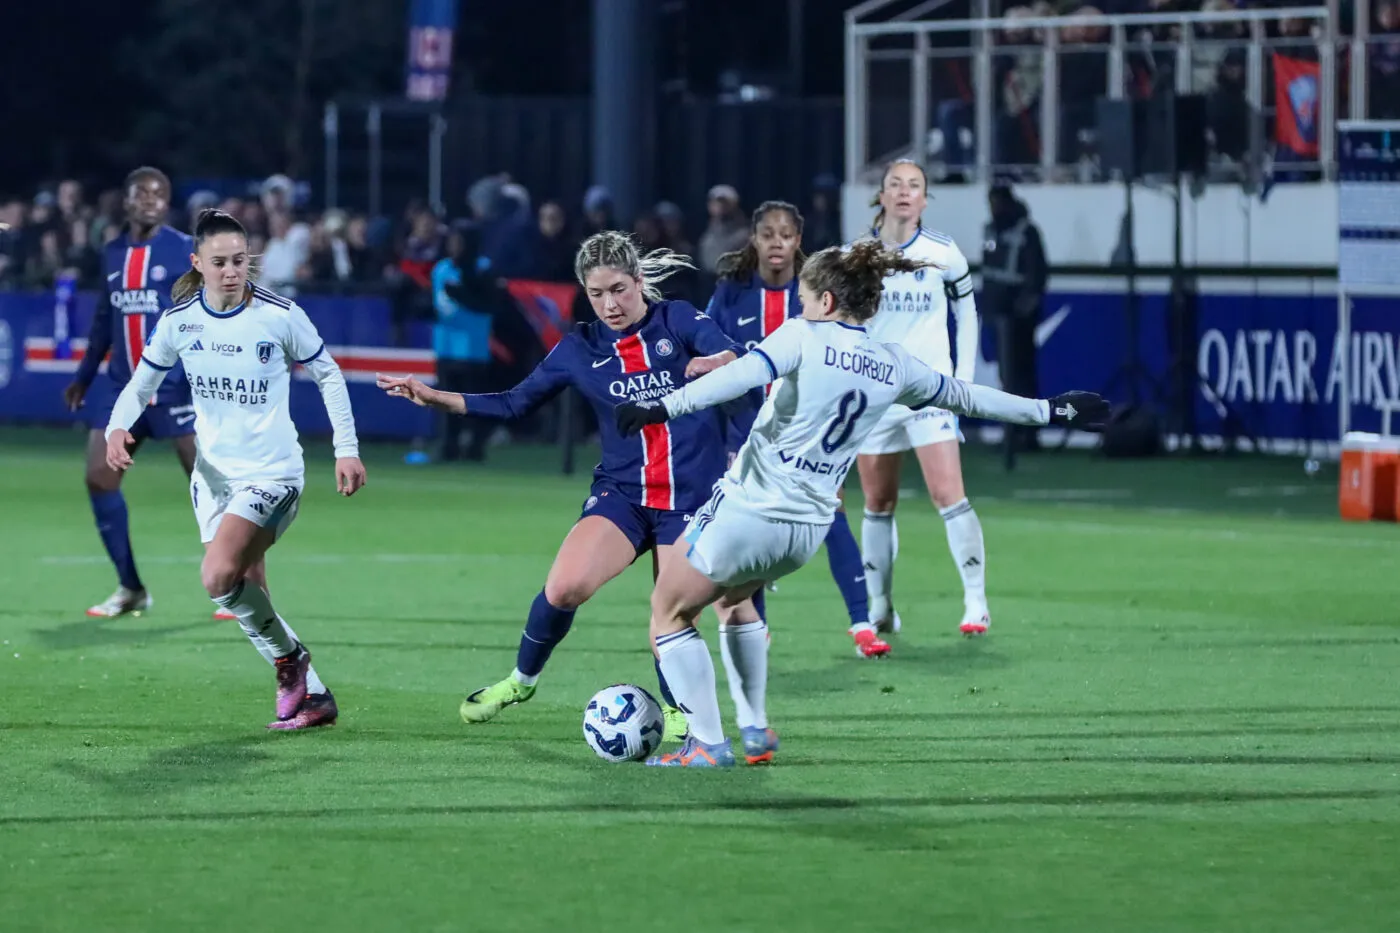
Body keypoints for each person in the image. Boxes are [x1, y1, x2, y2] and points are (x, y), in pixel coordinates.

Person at [615, 240, 1109, 766]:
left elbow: (738, 378)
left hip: (751, 510)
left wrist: (660, 407)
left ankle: (707, 745)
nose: (800, 307)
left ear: (826, 302)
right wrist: (1049, 411)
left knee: (667, 613)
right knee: (733, 601)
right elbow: (967, 396)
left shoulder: (804, 336)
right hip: (806, 531)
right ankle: (754, 726)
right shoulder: (893, 363)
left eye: (804, 298)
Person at [377, 231, 746, 739]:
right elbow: (513, 403)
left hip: (691, 498)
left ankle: (679, 710)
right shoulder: (579, 348)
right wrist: (435, 397)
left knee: (673, 613)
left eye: (618, 289)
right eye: (597, 294)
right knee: (565, 586)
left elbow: (731, 356)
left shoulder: (676, 320)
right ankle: (521, 681)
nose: (609, 304)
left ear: (639, 282)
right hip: (624, 495)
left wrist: (715, 364)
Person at [103, 210, 366, 730]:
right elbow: (141, 383)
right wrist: (117, 427)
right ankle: (312, 696)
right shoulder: (180, 321)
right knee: (246, 585)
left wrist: (346, 448)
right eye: (219, 262)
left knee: (218, 576)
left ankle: (291, 663)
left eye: (239, 261)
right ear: (198, 263)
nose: (230, 271)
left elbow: (329, 375)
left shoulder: (279, 314)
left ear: (251, 262)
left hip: (272, 474)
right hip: (212, 477)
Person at [706, 201, 884, 658]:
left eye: (786, 234)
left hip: (808, 438)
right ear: (755, 239)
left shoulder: (817, 294)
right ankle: (757, 627)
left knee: (832, 516)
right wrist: (729, 440)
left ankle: (862, 624)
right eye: (768, 234)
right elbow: (717, 365)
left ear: (798, 239)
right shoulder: (731, 292)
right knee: (749, 528)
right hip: (748, 434)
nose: (777, 243)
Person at [63, 167, 227, 620]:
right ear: (127, 200)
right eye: (142, 193)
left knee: (210, 483)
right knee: (99, 476)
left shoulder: (182, 250)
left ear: (167, 202)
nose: (150, 200)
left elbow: (213, 311)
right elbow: (103, 318)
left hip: (176, 383)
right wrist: (83, 373)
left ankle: (241, 579)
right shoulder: (113, 252)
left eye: (159, 194)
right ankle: (131, 587)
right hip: (123, 387)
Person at [857, 159, 988, 642]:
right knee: (878, 501)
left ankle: (976, 600)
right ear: (883, 196)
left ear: (925, 199)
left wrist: (964, 381)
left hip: (932, 390)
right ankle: (881, 607)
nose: (906, 192)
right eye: (896, 184)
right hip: (877, 394)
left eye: (915, 185)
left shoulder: (943, 251)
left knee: (948, 494)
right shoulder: (860, 255)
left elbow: (968, 312)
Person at [982, 181, 1048, 453]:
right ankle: (1011, 431)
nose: (994, 208)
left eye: (998, 202)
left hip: (1019, 316)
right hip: (997, 313)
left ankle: (1028, 435)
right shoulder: (991, 230)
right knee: (1005, 377)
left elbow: (1037, 274)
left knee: (1022, 375)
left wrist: (1026, 306)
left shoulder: (1027, 231)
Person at [430, 224, 500, 462]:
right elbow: (436, 304)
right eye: (452, 241)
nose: (454, 246)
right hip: (446, 345)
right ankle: (448, 446)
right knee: (445, 402)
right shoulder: (441, 269)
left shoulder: (483, 268)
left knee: (474, 404)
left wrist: (462, 294)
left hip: (474, 347)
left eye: (459, 241)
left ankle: (475, 447)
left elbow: (489, 304)